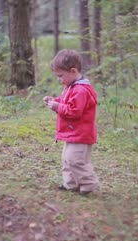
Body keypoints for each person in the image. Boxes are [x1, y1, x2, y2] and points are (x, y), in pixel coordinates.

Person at [43, 49, 99, 195]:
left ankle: (88, 184)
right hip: (73, 132)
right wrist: (54, 101)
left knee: (76, 160)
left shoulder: (81, 90)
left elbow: (75, 111)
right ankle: (70, 184)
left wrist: (58, 108)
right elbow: (66, 102)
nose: (59, 79)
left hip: (81, 133)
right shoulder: (71, 87)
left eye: (60, 76)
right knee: (67, 159)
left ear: (73, 71)